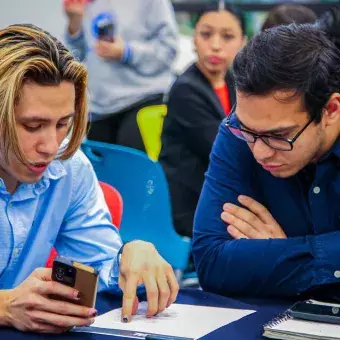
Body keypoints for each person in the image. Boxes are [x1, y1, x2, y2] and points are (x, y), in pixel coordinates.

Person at [0, 24, 178, 334]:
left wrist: (131, 255)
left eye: (62, 124)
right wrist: (4, 307)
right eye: (31, 126)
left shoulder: (69, 167)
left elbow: (99, 262)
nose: (51, 146)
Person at [193, 24, 340, 299]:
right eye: (248, 131)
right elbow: (211, 263)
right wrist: (317, 259)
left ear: (330, 110)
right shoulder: (237, 131)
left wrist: (279, 252)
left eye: (279, 136)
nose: (260, 152)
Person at [160, 3, 246, 238]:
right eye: (206, 34)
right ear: (194, 38)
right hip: (192, 204)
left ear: (243, 41)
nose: (215, 45)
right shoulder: (185, 90)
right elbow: (228, 150)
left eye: (227, 36)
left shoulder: (235, 82)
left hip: (220, 194)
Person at [63, 0, 178, 151]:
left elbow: (168, 50)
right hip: (99, 110)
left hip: (141, 101)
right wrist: (75, 22)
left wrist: (127, 52)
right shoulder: (87, 3)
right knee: (104, 174)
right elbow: (77, 56)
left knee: (136, 172)